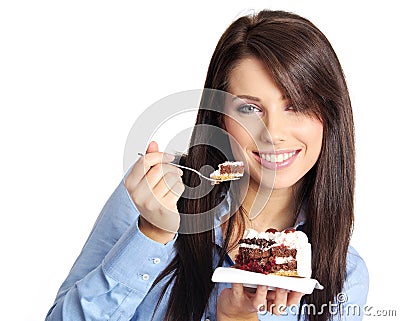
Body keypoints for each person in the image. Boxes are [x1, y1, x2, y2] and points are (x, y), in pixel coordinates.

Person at [46, 9, 368, 321]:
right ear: (219, 116)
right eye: (249, 109)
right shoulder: (157, 194)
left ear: (330, 116)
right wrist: (152, 232)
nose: (273, 134)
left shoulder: (344, 275)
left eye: (296, 105)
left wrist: (237, 318)